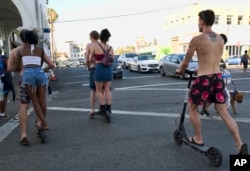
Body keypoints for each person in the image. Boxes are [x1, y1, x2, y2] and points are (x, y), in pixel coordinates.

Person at [176, 9, 248, 155]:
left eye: (198, 20)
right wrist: (200, 68)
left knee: (193, 107)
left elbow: (185, 62)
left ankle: (198, 138)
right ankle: (240, 145)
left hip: (204, 80)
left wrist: (180, 70)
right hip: (218, 78)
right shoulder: (221, 39)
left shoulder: (197, 39)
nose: (198, 23)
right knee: (223, 112)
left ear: (202, 21)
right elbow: (212, 59)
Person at [8, 29, 53, 145]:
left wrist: (22, 69)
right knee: (42, 101)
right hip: (40, 77)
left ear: (23, 39)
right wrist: (42, 69)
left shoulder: (16, 51)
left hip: (26, 78)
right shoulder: (39, 50)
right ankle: (41, 123)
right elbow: (50, 64)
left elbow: (12, 68)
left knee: (24, 105)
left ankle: (24, 134)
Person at [89, 28, 114, 123]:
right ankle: (109, 106)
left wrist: (97, 61)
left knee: (99, 90)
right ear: (108, 38)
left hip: (99, 68)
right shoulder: (111, 48)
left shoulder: (95, 46)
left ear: (100, 36)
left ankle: (102, 108)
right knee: (107, 89)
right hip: (108, 69)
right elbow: (112, 59)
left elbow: (91, 58)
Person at [85, 30, 100, 119]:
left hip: (94, 68)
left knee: (93, 90)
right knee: (103, 90)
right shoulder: (102, 44)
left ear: (91, 37)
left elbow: (87, 58)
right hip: (103, 68)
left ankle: (92, 109)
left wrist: (88, 66)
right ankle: (103, 108)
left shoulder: (89, 45)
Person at [0, 49, 15, 119]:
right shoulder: (3, 58)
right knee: (3, 96)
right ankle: (2, 114)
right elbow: (10, 68)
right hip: (3, 80)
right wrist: (4, 73)